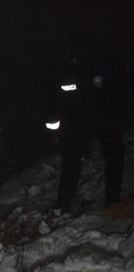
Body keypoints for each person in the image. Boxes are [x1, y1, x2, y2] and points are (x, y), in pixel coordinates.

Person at [46, 37, 133, 215]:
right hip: (80, 123)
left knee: (114, 158)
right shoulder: (65, 72)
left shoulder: (105, 65)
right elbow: (58, 103)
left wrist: (122, 116)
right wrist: (57, 132)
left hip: (106, 119)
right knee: (72, 162)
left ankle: (113, 200)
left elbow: (121, 90)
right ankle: (63, 205)